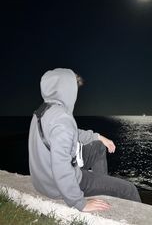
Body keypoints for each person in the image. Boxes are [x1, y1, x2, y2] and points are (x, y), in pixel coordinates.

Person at [28, 68, 141, 212]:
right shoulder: (63, 119)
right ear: (65, 89)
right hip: (58, 185)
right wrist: (79, 203)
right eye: (74, 88)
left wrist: (98, 137)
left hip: (43, 180)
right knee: (129, 189)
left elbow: (69, 133)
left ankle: (101, 188)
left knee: (98, 146)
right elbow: (61, 167)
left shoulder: (43, 111)